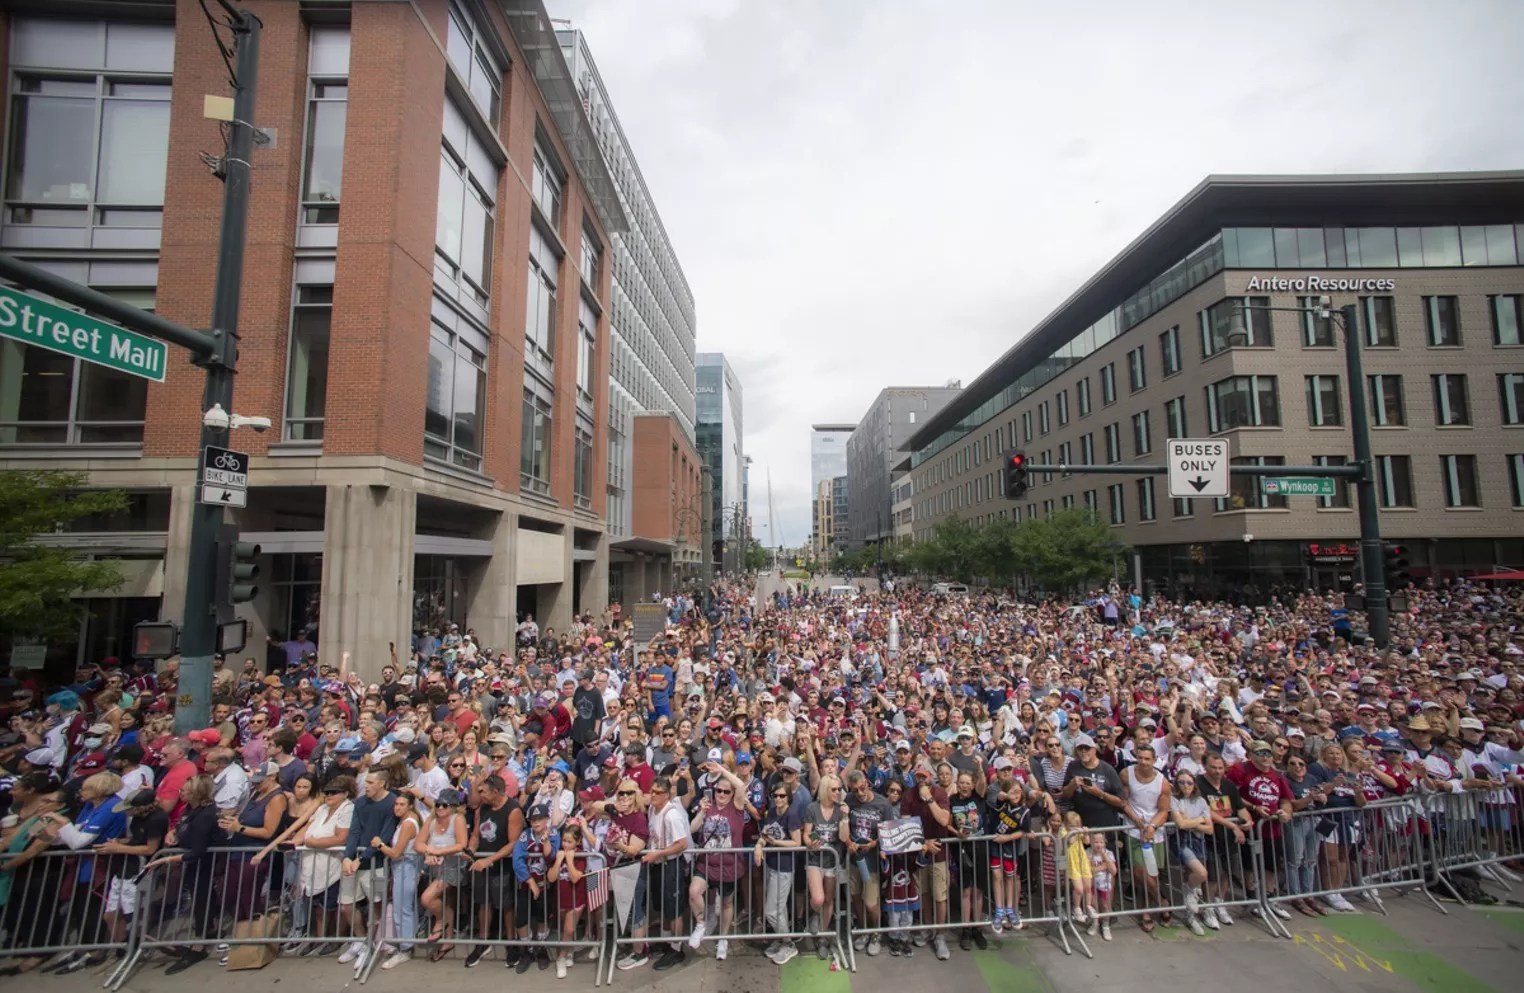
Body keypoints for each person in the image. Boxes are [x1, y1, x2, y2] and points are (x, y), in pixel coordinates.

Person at [687, 760, 747, 961]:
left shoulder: (736, 807)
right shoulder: (708, 806)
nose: (721, 795)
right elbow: (693, 828)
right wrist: (702, 813)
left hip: (728, 866)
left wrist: (721, 770)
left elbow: (740, 785)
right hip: (706, 863)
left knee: (727, 903)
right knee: (694, 891)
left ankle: (723, 938)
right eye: (718, 791)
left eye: (725, 792)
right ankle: (701, 924)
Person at [372, 792, 424, 969]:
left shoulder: (408, 824)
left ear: (410, 806)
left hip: (406, 869)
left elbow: (396, 853)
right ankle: (404, 944)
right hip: (401, 869)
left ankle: (406, 948)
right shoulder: (404, 822)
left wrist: (380, 845)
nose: (397, 807)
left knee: (403, 910)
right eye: (396, 804)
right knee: (402, 908)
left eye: (402, 804)